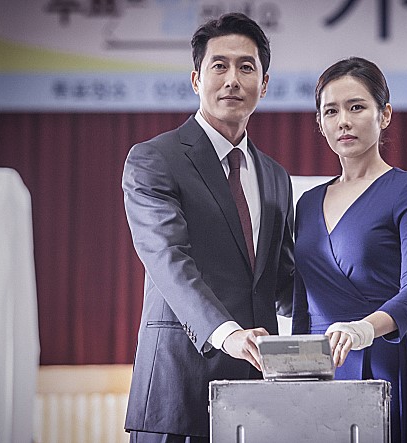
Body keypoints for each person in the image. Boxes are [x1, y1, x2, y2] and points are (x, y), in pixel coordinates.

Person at [121, 13, 294, 443]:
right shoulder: (154, 159)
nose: (232, 79)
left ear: (264, 85)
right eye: (220, 66)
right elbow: (168, 260)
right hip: (177, 392)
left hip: (257, 394)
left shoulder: (276, 176)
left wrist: (356, 316)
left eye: (246, 67)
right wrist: (228, 334)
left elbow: (283, 280)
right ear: (196, 80)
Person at [291, 57, 407, 442]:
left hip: (382, 359)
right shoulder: (306, 202)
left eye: (356, 107)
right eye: (331, 111)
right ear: (320, 123)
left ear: (384, 114)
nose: (344, 121)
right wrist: (295, 371)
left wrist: (363, 329)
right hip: (318, 368)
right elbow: (302, 303)